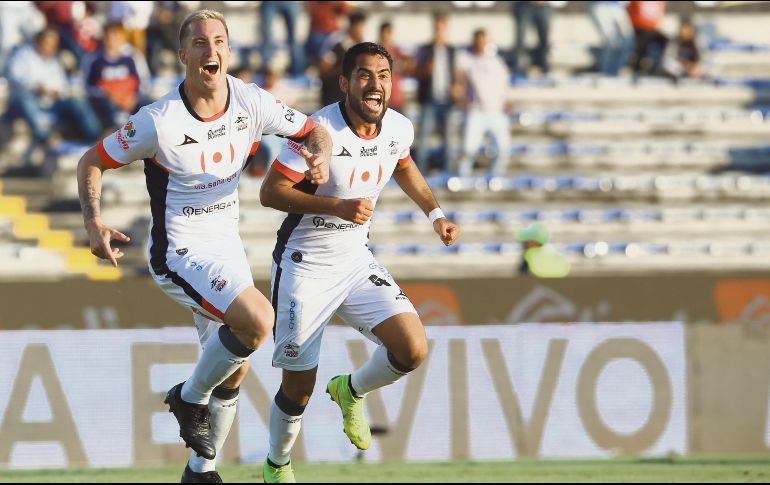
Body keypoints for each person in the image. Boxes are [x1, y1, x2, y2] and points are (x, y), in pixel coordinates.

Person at [74, 10, 331, 483]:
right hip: (178, 254)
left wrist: (323, 153)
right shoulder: (159, 121)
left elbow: (313, 127)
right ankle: (188, 397)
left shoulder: (251, 102)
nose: (209, 51)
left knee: (235, 365)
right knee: (258, 321)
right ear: (182, 56)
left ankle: (200, 471)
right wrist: (94, 222)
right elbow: (92, 160)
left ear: (228, 52)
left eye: (218, 42)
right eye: (198, 43)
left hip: (225, 246)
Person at [259, 42, 461, 483]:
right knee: (298, 388)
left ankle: (350, 391)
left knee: (412, 349)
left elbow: (403, 165)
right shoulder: (317, 132)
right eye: (366, 75)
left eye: (384, 75)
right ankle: (277, 465)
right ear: (345, 83)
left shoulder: (398, 129)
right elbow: (270, 192)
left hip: (354, 260)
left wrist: (436, 214)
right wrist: (337, 206)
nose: (376, 84)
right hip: (304, 266)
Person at [5, 26, 100, 164]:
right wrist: (38, 88)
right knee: (26, 100)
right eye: (48, 42)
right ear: (38, 41)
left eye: (54, 44)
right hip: (25, 101)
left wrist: (57, 91)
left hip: (50, 101)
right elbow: (16, 78)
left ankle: (94, 136)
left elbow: (60, 83)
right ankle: (46, 138)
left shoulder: (54, 60)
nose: (51, 47)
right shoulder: (22, 55)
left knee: (77, 101)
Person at [456, 29, 512, 177]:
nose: (481, 44)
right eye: (478, 41)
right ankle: (463, 176)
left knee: (502, 148)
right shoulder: (466, 59)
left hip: (496, 111)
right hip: (477, 111)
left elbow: (504, 84)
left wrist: (506, 100)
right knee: (468, 149)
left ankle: (495, 177)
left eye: (483, 40)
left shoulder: (497, 62)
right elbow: (459, 80)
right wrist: (462, 99)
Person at [414, 13, 462, 173]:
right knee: (423, 141)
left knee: (448, 141)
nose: (439, 30)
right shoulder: (425, 49)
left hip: (447, 101)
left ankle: (447, 173)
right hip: (430, 100)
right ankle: (420, 174)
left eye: (442, 27)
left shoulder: (452, 50)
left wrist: (457, 87)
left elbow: (457, 73)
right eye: (437, 27)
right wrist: (425, 70)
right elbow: (416, 72)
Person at [81, 21, 151, 131]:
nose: (112, 40)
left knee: (149, 105)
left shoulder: (133, 57)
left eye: (116, 36)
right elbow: (87, 86)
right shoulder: (93, 59)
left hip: (131, 100)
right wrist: (107, 94)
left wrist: (133, 97)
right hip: (106, 102)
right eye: (108, 36)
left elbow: (144, 81)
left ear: (122, 38)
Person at [318, 11, 366, 107]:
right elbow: (323, 70)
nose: (362, 31)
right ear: (353, 26)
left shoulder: (362, 45)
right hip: (332, 98)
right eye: (361, 27)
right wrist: (346, 69)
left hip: (352, 100)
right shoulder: (336, 42)